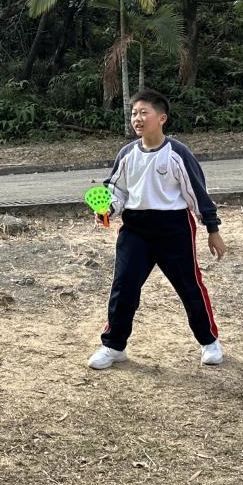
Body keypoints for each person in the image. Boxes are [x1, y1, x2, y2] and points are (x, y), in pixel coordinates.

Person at [87, 89, 227, 371]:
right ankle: (114, 346)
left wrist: (212, 229)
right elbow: (116, 190)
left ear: (161, 118)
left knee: (189, 286)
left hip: (174, 228)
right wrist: (107, 209)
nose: (137, 119)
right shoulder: (127, 154)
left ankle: (209, 342)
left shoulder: (177, 153)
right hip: (135, 229)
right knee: (124, 287)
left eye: (144, 113)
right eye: (134, 114)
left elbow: (196, 193)